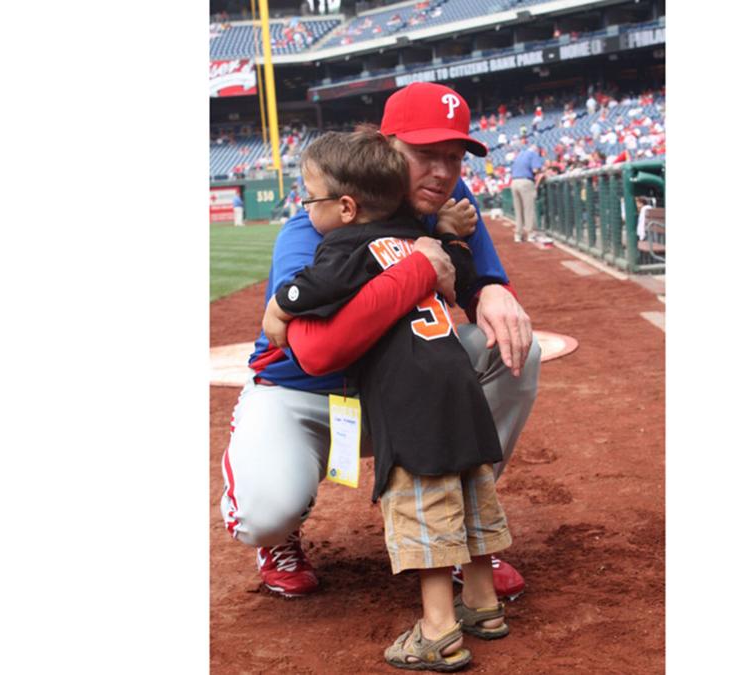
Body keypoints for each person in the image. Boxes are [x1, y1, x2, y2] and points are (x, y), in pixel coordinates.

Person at [220, 82, 540, 600]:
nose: (442, 172)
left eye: (454, 157)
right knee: (264, 514)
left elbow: (475, 279)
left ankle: (457, 521)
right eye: (424, 154)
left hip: (398, 394)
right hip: (307, 394)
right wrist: (416, 269)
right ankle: (281, 533)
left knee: (512, 348)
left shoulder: (451, 205)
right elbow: (319, 351)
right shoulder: (312, 229)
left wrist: (493, 291)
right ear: (385, 150)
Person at [262, 129, 511, 671]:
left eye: (311, 199)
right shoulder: (416, 236)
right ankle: (484, 604)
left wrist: (281, 306)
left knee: (421, 502)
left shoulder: (346, 244)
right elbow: (460, 275)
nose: (307, 210)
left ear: (347, 207)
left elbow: (317, 290)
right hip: (457, 381)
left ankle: (440, 629)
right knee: (472, 487)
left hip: (409, 395)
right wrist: (443, 232)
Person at [509, 136, 544, 243]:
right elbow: (535, 169)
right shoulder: (533, 153)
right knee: (529, 209)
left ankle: (518, 235)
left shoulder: (520, 154)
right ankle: (531, 234)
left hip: (514, 182)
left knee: (518, 211)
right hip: (525, 182)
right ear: (537, 149)